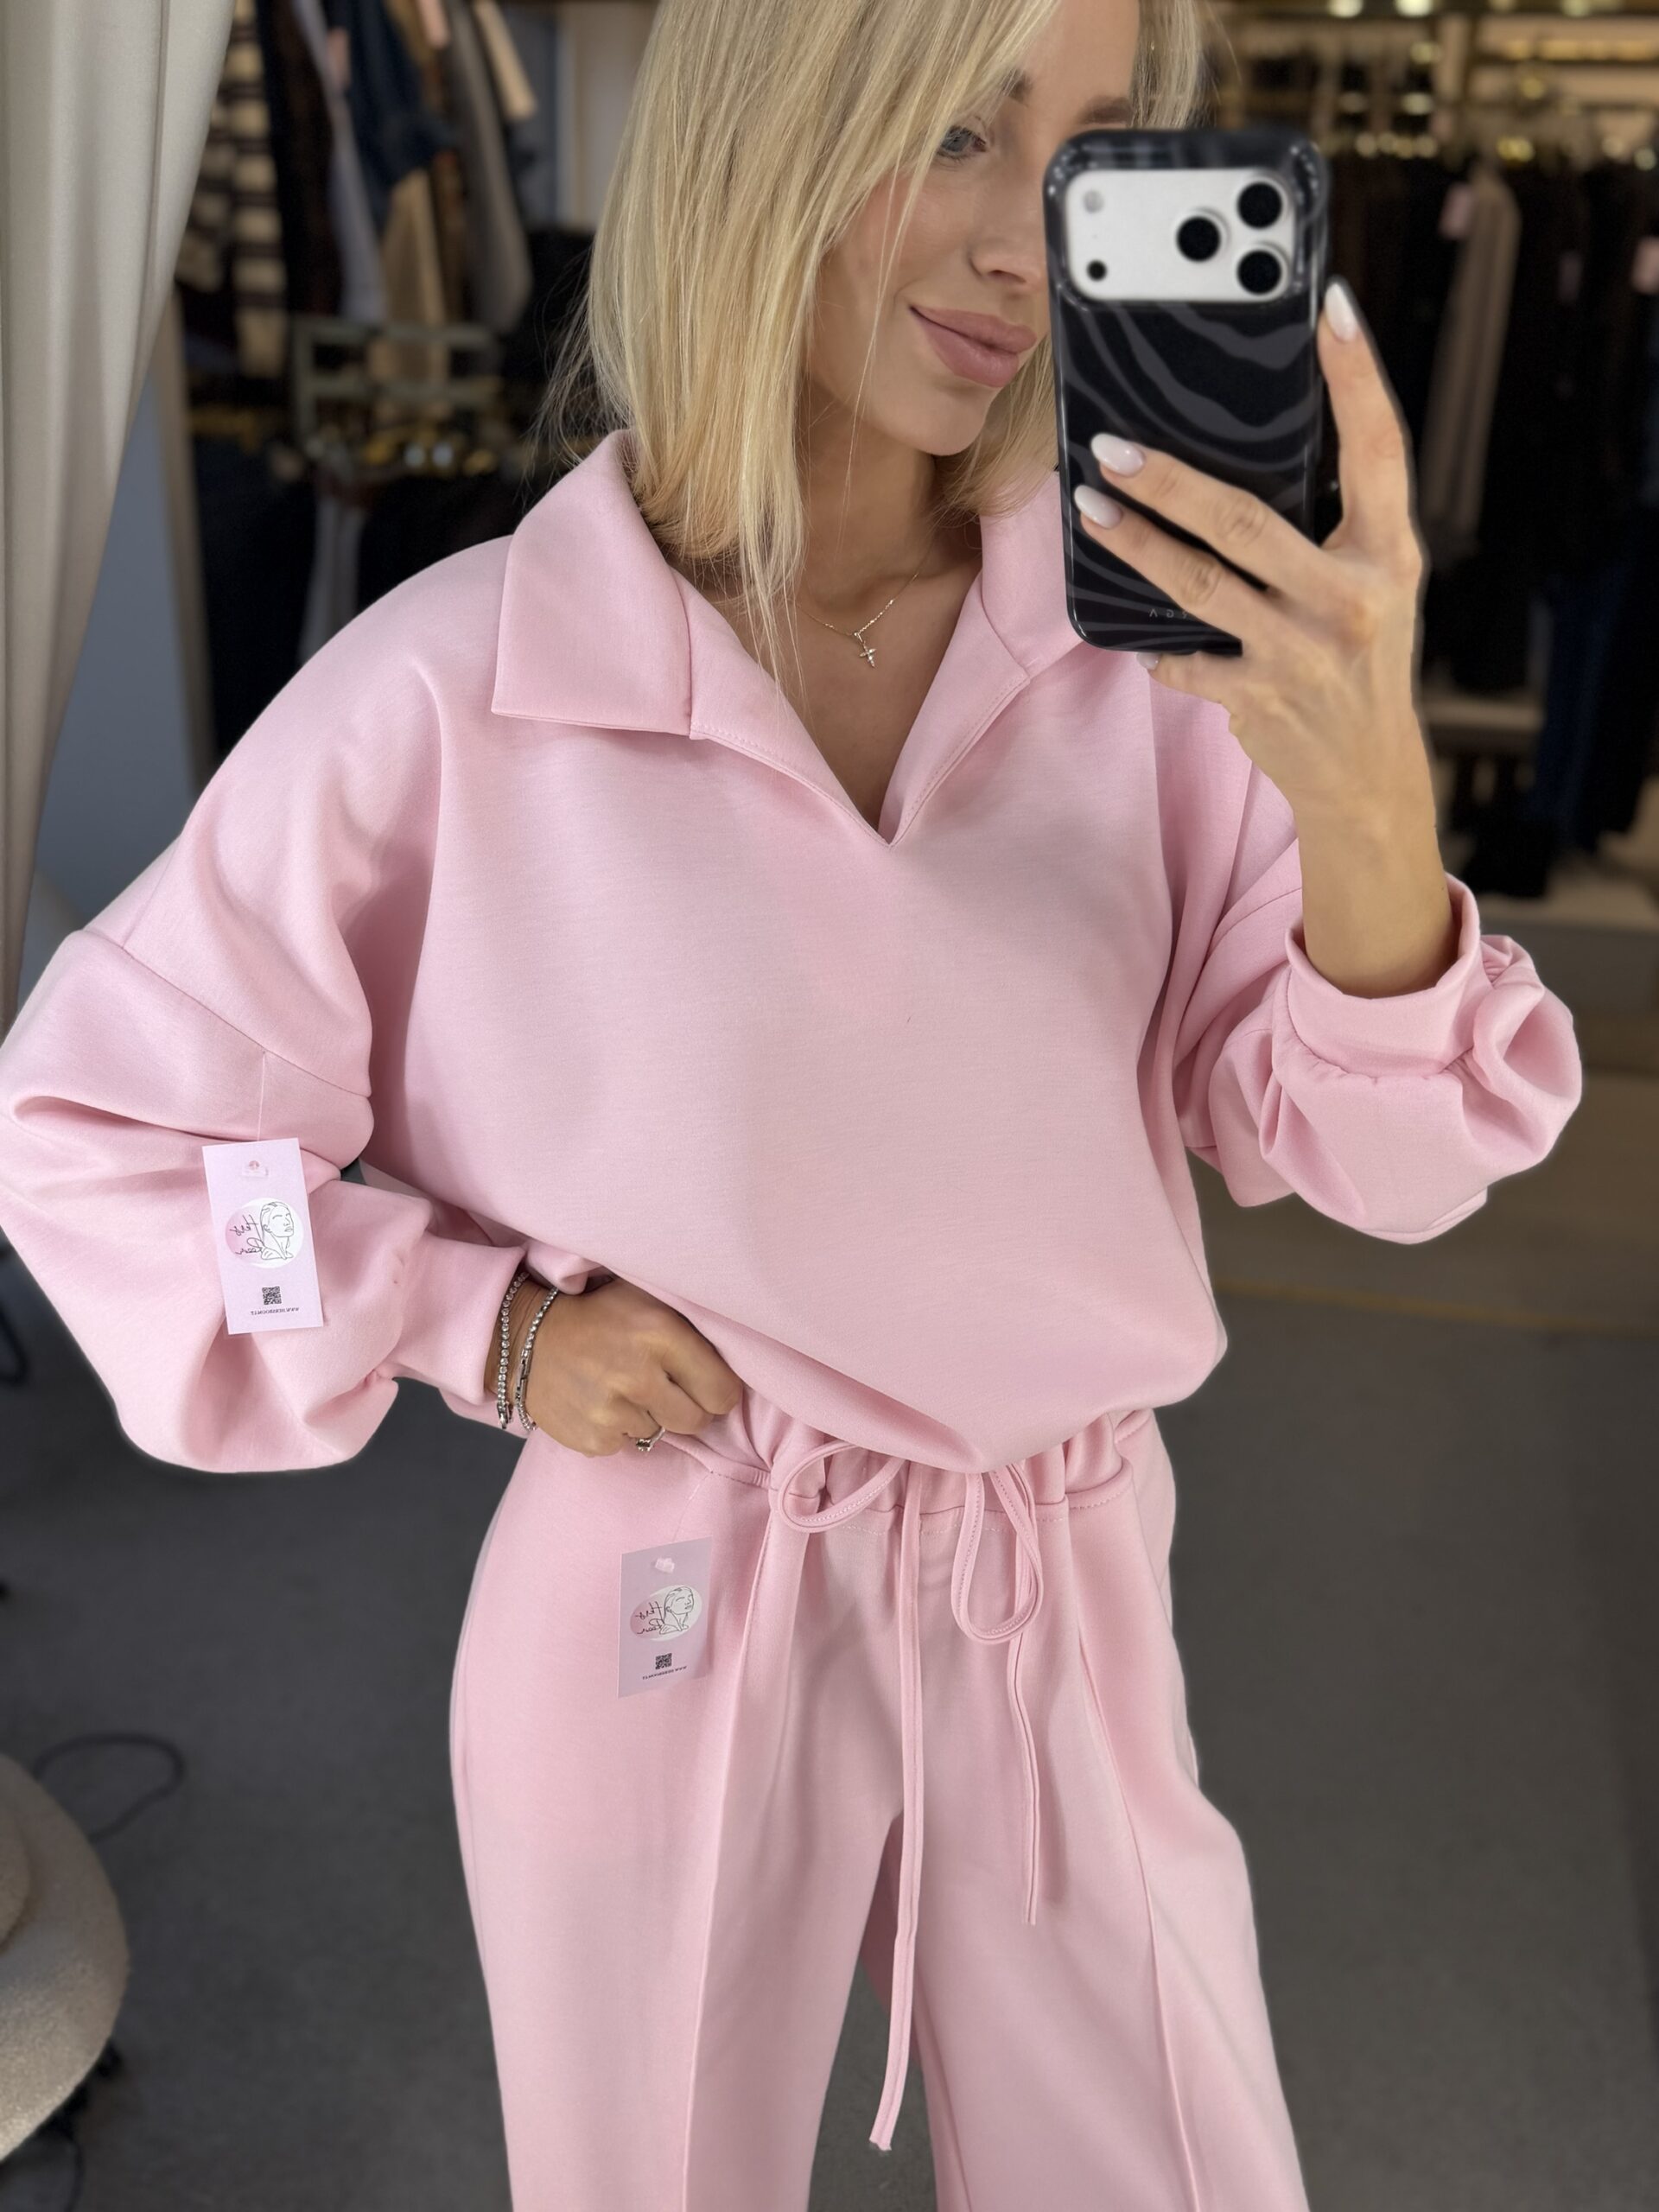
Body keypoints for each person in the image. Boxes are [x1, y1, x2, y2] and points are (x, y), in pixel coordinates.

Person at [0, 0, 1585, 2205]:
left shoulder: (1148, 672)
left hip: (1054, 1589)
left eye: (1089, 150)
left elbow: (1391, 1159)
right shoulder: (457, 685)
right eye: (954, 130)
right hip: (664, 1582)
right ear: (771, 121)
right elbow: (101, 1133)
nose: (1025, 240)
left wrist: (1371, 798)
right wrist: (468, 1320)